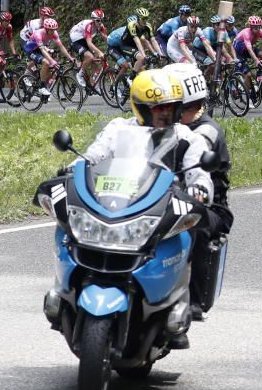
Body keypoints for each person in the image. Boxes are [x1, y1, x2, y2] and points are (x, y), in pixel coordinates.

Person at [75, 68, 213, 349]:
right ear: (141, 109)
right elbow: (94, 154)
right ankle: (66, 290)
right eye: (157, 108)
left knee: (188, 231)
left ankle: (178, 308)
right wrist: (74, 169)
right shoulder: (118, 129)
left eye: (171, 108)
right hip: (117, 203)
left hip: (162, 209)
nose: (165, 114)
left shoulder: (188, 137)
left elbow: (198, 170)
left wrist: (200, 186)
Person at [163, 63, 232, 322]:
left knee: (195, 221)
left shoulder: (205, 132)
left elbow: (196, 175)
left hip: (210, 205)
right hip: (164, 197)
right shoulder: (159, 126)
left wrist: (196, 192)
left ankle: (193, 299)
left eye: (173, 106)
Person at [69, 9, 108, 88]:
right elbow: (89, 43)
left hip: (84, 39)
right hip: (75, 40)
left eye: (101, 20)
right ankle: (80, 74)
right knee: (90, 56)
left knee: (96, 62)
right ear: (93, 20)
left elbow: (106, 39)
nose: (100, 22)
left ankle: (92, 83)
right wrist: (99, 52)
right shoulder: (89, 26)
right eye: (98, 20)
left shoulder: (100, 26)